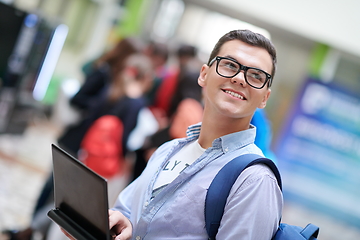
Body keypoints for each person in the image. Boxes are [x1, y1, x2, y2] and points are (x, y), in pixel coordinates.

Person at [64, 29, 283, 240]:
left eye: (256, 75)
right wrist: (115, 225)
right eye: (229, 65)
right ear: (204, 75)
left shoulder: (255, 181)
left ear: (265, 97)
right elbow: (127, 213)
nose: (240, 78)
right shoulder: (169, 150)